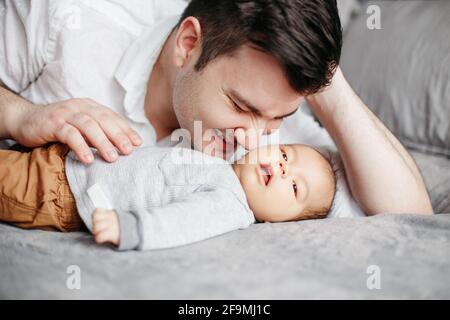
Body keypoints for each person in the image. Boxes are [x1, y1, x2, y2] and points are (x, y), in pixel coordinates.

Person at [0, 0, 432, 218]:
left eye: (277, 118)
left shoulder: (274, 139)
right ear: (188, 44)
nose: (254, 137)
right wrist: (20, 115)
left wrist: (323, 76)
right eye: (240, 105)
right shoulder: (70, 17)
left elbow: (410, 218)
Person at [0, 142, 336, 250]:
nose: (281, 168)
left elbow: (181, 222)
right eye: (286, 155)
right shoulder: (221, 167)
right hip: (68, 160)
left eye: (294, 187)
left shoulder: (229, 206)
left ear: (279, 221)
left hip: (61, 191)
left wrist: (131, 229)